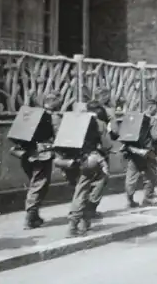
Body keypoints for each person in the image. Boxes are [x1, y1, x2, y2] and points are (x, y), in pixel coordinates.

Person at [67, 101, 111, 237]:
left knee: (79, 191)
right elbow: (107, 145)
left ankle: (74, 225)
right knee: (95, 189)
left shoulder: (75, 121)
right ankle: (82, 224)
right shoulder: (99, 123)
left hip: (73, 160)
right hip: (92, 160)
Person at [20, 90, 62, 229]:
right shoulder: (52, 117)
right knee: (39, 184)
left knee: (35, 183)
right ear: (55, 102)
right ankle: (30, 217)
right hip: (42, 154)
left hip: (27, 154)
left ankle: (34, 215)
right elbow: (58, 135)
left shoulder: (33, 114)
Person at [123, 99, 157, 208]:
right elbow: (155, 137)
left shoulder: (136, 118)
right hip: (147, 152)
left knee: (131, 177)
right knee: (150, 176)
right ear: (151, 107)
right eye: (156, 108)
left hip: (134, 151)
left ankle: (130, 200)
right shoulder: (152, 120)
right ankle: (147, 199)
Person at [86, 88, 120, 218]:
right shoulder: (108, 111)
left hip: (82, 152)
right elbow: (114, 133)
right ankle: (91, 208)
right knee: (102, 177)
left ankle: (83, 207)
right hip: (100, 150)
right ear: (106, 97)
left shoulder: (86, 108)